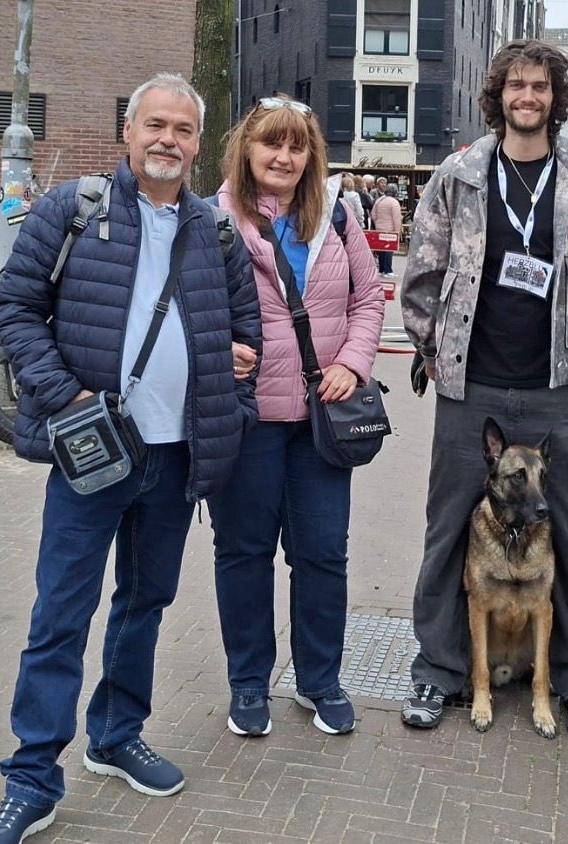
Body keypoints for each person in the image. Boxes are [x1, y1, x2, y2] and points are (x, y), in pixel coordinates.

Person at [0, 74, 261, 844]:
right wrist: (61, 394)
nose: (168, 139)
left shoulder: (216, 231)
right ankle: (32, 776)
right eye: (155, 125)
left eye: (183, 129)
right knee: (60, 612)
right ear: (127, 133)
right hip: (90, 454)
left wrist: (238, 365)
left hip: (174, 459)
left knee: (144, 603)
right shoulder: (73, 210)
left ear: (200, 144)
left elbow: (246, 331)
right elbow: (15, 305)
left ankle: (115, 733)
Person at [399, 38, 568, 741]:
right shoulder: (458, 174)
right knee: (445, 531)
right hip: (472, 385)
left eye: (541, 86)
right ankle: (438, 673)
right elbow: (422, 270)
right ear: (499, 96)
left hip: (554, 385)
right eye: (516, 86)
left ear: (556, 97)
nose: (528, 97)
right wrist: (432, 351)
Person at [208, 97, 384, 742]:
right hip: (247, 416)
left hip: (320, 420)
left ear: (312, 156)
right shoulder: (212, 220)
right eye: (271, 144)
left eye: (297, 147)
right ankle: (249, 683)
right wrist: (215, 347)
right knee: (244, 553)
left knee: (321, 555)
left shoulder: (335, 216)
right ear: (246, 149)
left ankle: (318, 680)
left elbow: (369, 298)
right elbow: (186, 307)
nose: (283, 158)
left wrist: (355, 364)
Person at [369, 180, 402, 276]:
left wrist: (377, 223)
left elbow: (373, 214)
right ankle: (388, 270)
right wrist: (397, 232)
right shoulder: (394, 202)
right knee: (388, 249)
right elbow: (396, 218)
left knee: (381, 249)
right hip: (390, 229)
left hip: (379, 227)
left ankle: (381, 270)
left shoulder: (379, 200)